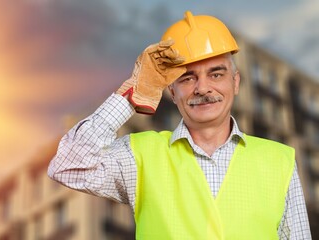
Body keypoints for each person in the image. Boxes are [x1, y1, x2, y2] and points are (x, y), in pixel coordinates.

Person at [48, 11, 312, 239]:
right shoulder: (140, 157)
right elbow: (68, 165)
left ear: (236, 82)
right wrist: (131, 96)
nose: (203, 88)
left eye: (216, 74)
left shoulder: (279, 160)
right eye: (187, 79)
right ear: (172, 92)